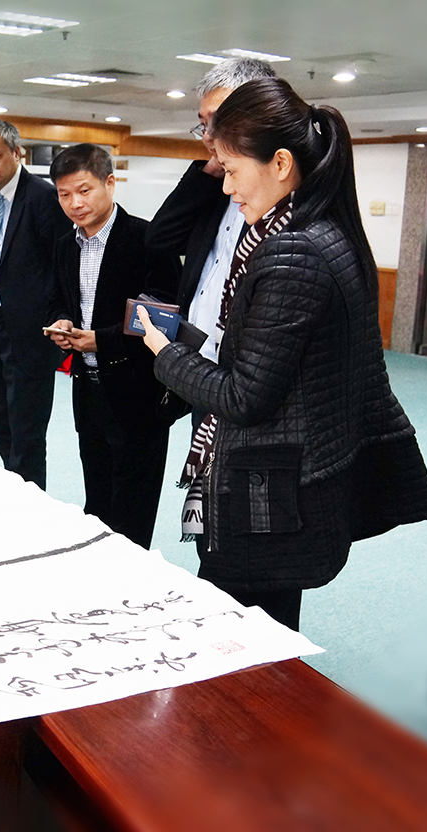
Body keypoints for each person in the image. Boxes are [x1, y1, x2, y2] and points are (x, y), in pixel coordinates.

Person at [135, 78, 427, 631]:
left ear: (280, 163)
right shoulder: (320, 231)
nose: (227, 187)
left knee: (246, 631)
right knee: (265, 623)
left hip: (269, 483)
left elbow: (244, 397)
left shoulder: (292, 252)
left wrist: (165, 352)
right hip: (291, 470)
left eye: (232, 170)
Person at [146, 58, 276, 540]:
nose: (208, 134)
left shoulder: (286, 202)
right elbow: (160, 238)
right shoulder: (217, 187)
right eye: (202, 124)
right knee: (211, 512)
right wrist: (211, 169)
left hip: (250, 381)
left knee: (250, 521)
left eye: (218, 122)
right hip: (204, 368)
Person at [43, 144, 181, 547]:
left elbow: (164, 317)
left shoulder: (148, 238)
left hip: (139, 393)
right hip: (88, 391)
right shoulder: (65, 243)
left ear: (110, 183)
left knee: (133, 512)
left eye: (84, 190)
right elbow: (59, 299)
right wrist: (62, 321)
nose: (74, 203)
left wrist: (100, 340)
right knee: (97, 502)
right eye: (64, 194)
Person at [0, 118, 67, 489]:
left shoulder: (43, 197)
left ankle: (31, 502)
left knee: (27, 433)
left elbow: (60, 266)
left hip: (28, 333)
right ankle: (14, 492)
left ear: (16, 153)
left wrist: (59, 317)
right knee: (3, 425)